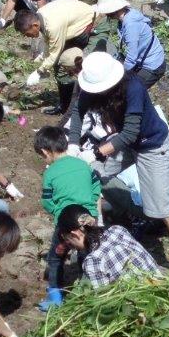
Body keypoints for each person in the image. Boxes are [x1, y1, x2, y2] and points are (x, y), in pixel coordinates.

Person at [66, 52, 169, 274]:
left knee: (163, 207)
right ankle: (97, 238)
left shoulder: (133, 88)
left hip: (151, 145)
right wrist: (72, 145)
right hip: (125, 143)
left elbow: (130, 133)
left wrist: (96, 153)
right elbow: (78, 113)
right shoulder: (92, 89)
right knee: (93, 176)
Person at [35, 126, 102, 311]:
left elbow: (47, 201)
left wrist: (57, 211)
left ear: (45, 152)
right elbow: (96, 187)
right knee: (86, 252)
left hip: (66, 224)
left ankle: (55, 296)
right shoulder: (82, 164)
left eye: (43, 157)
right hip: (88, 219)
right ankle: (87, 289)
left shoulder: (50, 172)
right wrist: (91, 208)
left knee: (56, 257)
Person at [19, 0, 99, 114]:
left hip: (89, 25)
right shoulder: (40, 16)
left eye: (27, 33)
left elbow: (55, 53)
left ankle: (81, 105)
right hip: (74, 25)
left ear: (35, 25)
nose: (29, 37)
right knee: (59, 67)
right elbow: (49, 41)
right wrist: (43, 56)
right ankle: (66, 105)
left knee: (74, 64)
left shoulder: (52, 25)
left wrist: (39, 71)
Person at [56, 204, 160, 288]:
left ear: (75, 234)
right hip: (161, 284)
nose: (71, 246)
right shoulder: (117, 229)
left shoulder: (93, 260)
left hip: (140, 302)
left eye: (68, 240)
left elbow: (102, 300)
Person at [103, 139, 169, 222]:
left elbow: (153, 192)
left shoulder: (144, 153)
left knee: (107, 183)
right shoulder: (157, 139)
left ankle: (129, 220)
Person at [94, 0, 166, 88]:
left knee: (128, 91)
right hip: (142, 60)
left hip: (152, 66)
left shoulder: (130, 25)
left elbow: (132, 57)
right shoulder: (127, 14)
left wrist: (119, 76)